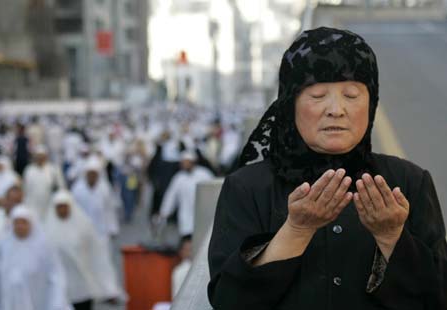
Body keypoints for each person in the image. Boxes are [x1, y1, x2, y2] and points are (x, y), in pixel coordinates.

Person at [207, 27, 447, 310]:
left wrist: (391, 235)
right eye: (318, 95)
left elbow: (438, 299)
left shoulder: (408, 183)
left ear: (371, 104)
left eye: (352, 95)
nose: (336, 109)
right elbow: (228, 301)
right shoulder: (247, 187)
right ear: (289, 104)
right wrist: (296, 230)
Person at [45, 191, 123, 310]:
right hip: (60, 288)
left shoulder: (84, 225)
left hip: (82, 286)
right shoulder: (47, 229)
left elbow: (97, 255)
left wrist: (108, 287)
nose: (62, 210)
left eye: (64, 206)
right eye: (59, 207)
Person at [0, 205, 71, 310]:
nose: (20, 226)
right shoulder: (3, 245)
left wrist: (56, 300)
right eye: (16, 222)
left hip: (38, 300)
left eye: (23, 222)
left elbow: (56, 274)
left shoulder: (44, 246)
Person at [159, 151, 213, 236]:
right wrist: (165, 211)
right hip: (185, 217)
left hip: (203, 216)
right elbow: (171, 196)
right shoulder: (179, 178)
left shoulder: (204, 174)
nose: (184, 164)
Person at [23, 145, 64, 221]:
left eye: (42, 156)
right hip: (32, 206)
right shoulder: (29, 170)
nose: (40, 158)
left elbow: (61, 187)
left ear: (46, 156)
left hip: (49, 205)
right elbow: (25, 189)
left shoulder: (53, 170)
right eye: (38, 156)